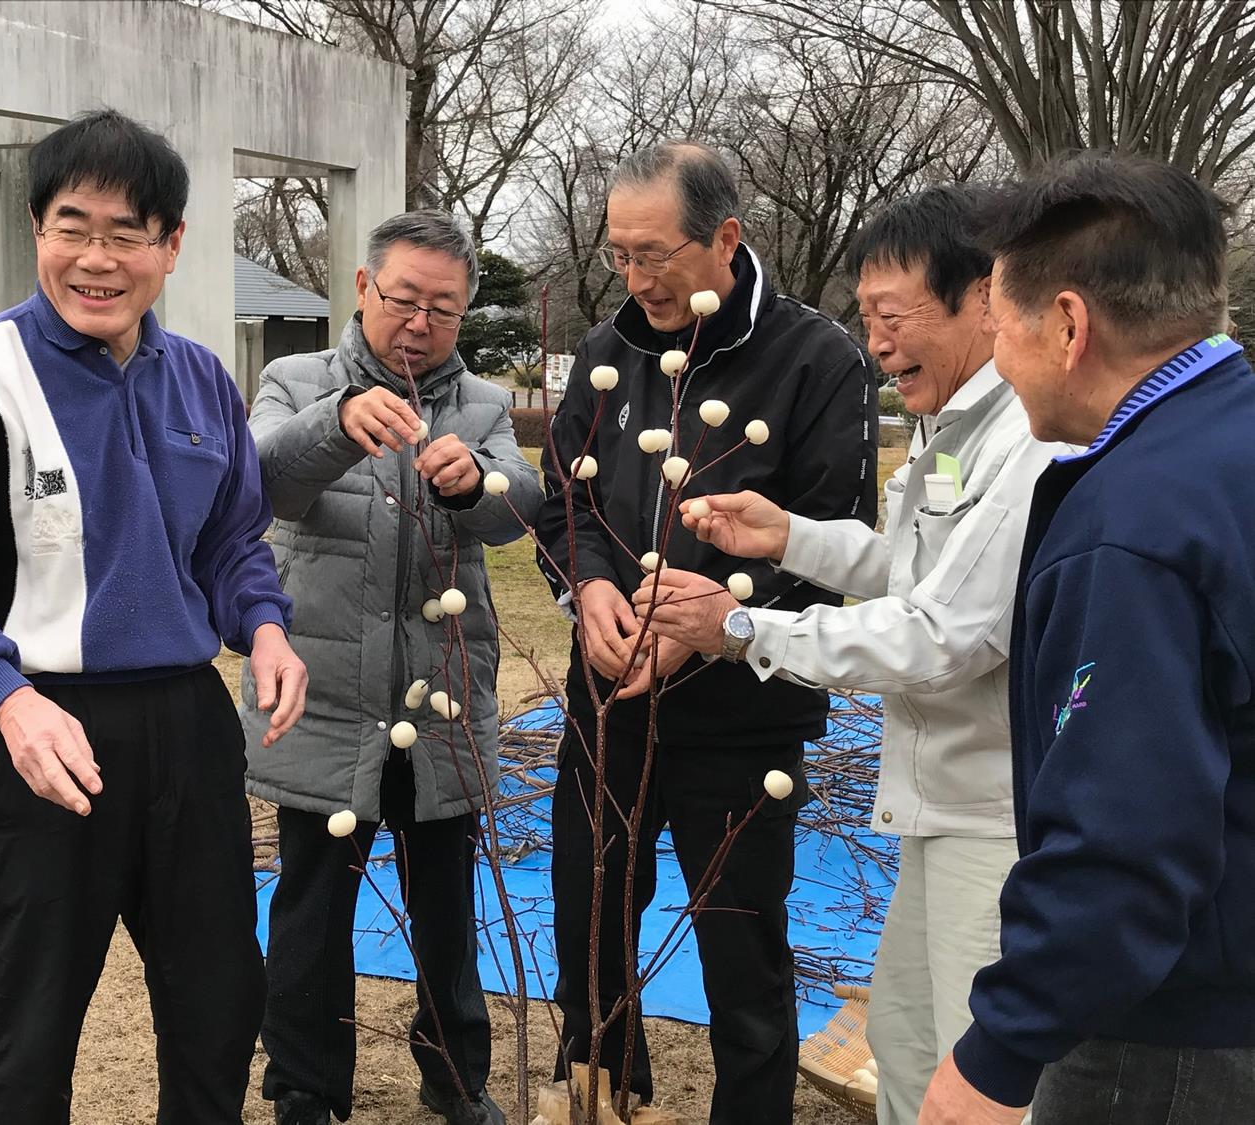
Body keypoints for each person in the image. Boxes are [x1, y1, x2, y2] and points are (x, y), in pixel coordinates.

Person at [0, 110, 306, 1124]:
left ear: (173, 245)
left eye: (128, 233)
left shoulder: (200, 377)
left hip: (189, 733)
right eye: (75, 226)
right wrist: (5, 701)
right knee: (28, 1036)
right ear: (36, 229)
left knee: (219, 1005)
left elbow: (232, 542)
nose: (97, 259)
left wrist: (267, 628)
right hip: (35, 734)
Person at [644, 185, 1068, 1123]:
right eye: (865, 314)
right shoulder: (951, 427)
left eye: (893, 314)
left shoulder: (1025, 443)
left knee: (982, 1082)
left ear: (984, 299)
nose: (875, 341)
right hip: (937, 799)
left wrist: (747, 627)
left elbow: (941, 634)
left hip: (997, 813)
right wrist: (789, 535)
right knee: (907, 1042)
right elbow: (916, 573)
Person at [533, 140, 878, 1124]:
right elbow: (568, 506)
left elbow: (835, 542)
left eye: (655, 254)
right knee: (587, 928)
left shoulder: (820, 359)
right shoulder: (606, 356)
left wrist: (708, 625)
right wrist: (587, 593)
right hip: (609, 701)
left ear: (726, 238)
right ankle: (606, 1096)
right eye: (620, 255)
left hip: (745, 713)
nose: (635, 279)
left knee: (740, 948)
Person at [916, 154, 1255, 1123]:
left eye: (1000, 328)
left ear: (1067, 325)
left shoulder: (1135, 528)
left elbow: (1127, 838)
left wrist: (999, 1049)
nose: (996, 358)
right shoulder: (1225, 452)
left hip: (1179, 1037)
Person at [243, 209, 543, 1125]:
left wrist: (476, 483)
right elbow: (259, 484)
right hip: (326, 694)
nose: (420, 323)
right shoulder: (295, 380)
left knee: (448, 910)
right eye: (404, 299)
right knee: (310, 910)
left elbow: (522, 507)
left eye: (443, 308)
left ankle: (456, 1078)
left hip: (440, 696)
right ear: (365, 288)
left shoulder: (482, 405)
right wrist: (337, 426)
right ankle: (304, 1084)